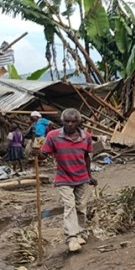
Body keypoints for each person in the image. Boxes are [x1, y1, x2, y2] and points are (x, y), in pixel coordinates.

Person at [36, 108, 98, 252]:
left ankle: (80, 232)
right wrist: (37, 153)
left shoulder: (86, 137)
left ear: (78, 122)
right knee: (69, 206)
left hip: (82, 176)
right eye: (67, 121)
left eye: (73, 121)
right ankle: (72, 238)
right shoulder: (53, 136)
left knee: (81, 207)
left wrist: (90, 176)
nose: (70, 124)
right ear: (62, 121)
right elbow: (44, 154)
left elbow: (86, 157)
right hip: (64, 177)